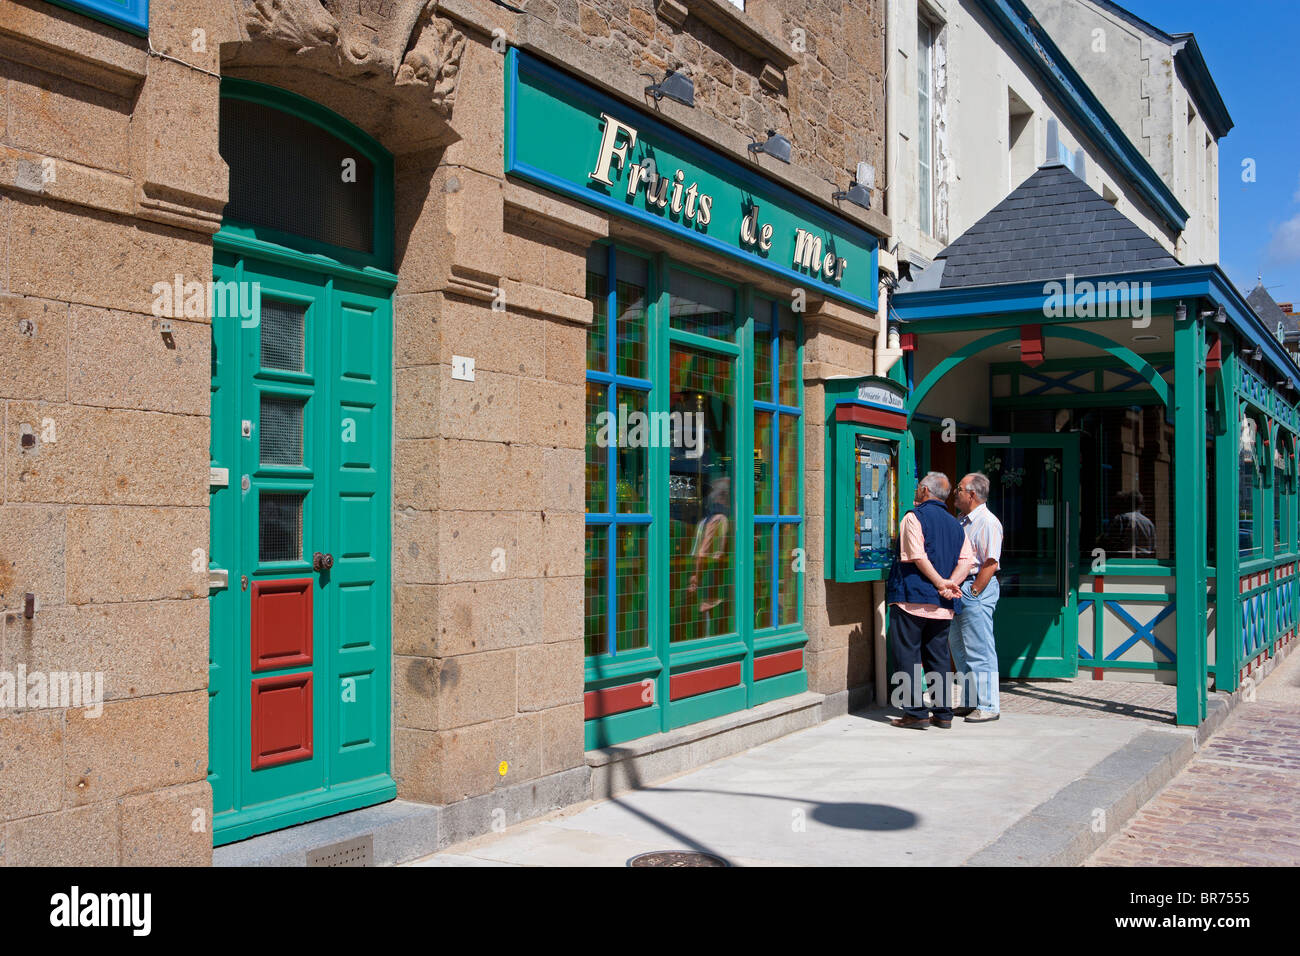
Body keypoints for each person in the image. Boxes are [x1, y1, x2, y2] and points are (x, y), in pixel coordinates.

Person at [885, 472, 974, 729]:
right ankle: (943, 714)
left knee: (908, 656)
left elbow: (916, 555)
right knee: (938, 657)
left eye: (918, 486)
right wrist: (950, 584)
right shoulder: (955, 524)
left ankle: (915, 713)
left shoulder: (914, 517)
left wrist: (940, 583)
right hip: (943, 604)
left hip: (912, 598)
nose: (915, 490)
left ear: (925, 490)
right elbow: (967, 560)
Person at [951, 472, 1004, 722]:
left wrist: (973, 593)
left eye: (959, 489)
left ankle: (989, 705)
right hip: (962, 588)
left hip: (976, 588)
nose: (956, 494)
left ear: (971, 494)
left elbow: (990, 563)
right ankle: (971, 700)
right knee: (960, 647)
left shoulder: (987, 522)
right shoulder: (963, 521)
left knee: (980, 648)